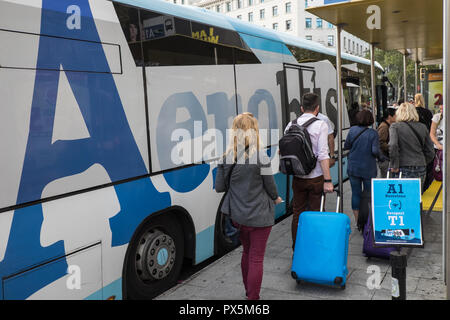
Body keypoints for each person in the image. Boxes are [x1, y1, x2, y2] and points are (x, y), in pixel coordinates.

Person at [215, 113, 282, 300]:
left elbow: (220, 187)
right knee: (256, 258)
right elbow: (271, 187)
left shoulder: (226, 157)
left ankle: (248, 292)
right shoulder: (261, 156)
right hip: (260, 216)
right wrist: (276, 198)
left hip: (238, 217)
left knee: (246, 252)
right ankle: (253, 298)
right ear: (254, 131)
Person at [284, 93, 334, 249]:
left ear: (301, 108)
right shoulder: (321, 125)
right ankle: (314, 249)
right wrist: (327, 180)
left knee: (297, 214)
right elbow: (323, 154)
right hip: (316, 178)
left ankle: (296, 249)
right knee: (316, 214)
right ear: (317, 108)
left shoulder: (290, 125)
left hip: (298, 177)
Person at [344, 110, 381, 226]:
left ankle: (358, 222)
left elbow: (346, 146)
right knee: (368, 194)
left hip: (353, 167)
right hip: (368, 169)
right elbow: (375, 151)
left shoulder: (352, 130)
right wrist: (382, 156)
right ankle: (368, 222)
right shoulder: (373, 133)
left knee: (356, 193)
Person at [389, 103, 435, 188]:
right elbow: (430, 151)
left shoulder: (395, 127)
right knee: (416, 196)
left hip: (402, 166)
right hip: (420, 166)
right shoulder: (423, 127)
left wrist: (394, 165)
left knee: (402, 197)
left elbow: (393, 146)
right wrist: (423, 161)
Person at [377, 107, 397, 178]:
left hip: (387, 158)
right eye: (395, 115)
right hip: (385, 159)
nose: (396, 117)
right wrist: (391, 147)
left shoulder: (389, 125)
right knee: (386, 179)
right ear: (389, 116)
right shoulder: (384, 127)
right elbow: (380, 142)